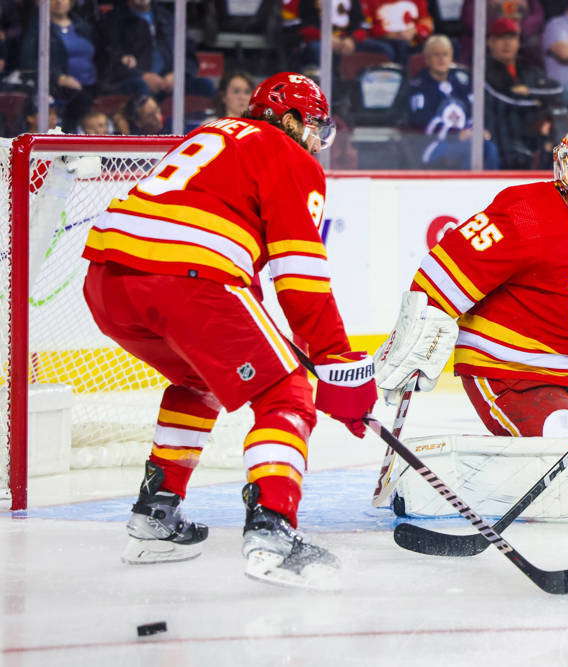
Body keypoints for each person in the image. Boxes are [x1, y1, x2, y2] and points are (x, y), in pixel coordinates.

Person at [81, 72, 376, 590]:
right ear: (288, 119)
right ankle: (273, 528)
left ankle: (155, 516)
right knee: (287, 395)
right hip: (189, 279)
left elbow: (239, 285)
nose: (317, 143)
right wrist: (337, 363)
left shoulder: (212, 132)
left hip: (109, 283)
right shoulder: (289, 155)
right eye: (314, 128)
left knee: (200, 379)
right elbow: (300, 276)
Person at [376, 122, 568, 441]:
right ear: (561, 164)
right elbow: (450, 268)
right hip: (511, 369)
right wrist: (412, 337)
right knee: (563, 434)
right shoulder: (528, 209)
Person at [406, 35, 500, 169]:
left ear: (451, 57)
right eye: (436, 55)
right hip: (432, 145)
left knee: (489, 148)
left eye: (445, 54)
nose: (441, 59)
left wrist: (477, 130)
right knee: (470, 149)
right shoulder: (419, 86)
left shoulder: (460, 83)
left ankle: (491, 188)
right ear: (426, 59)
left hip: (465, 139)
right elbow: (421, 121)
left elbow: (473, 111)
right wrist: (454, 134)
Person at [485, 17, 562, 169]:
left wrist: (529, 91)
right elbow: (508, 100)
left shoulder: (528, 69)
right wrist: (538, 100)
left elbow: (558, 90)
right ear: (490, 42)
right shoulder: (485, 71)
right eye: (501, 38)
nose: (507, 44)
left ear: (519, 42)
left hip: (532, 135)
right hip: (503, 136)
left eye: (512, 38)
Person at [98, 0, 213, 98]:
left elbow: (189, 56)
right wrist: (141, 76)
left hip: (170, 82)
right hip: (136, 81)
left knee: (204, 85)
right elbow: (109, 61)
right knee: (139, 87)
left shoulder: (168, 18)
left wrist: (177, 75)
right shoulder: (112, 21)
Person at [19, 0, 99, 131]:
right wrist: (58, 78)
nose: (59, 2)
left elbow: (100, 56)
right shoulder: (38, 28)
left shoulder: (83, 26)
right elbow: (28, 62)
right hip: (59, 89)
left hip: (91, 86)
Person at [356, 0, 434, 64]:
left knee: (430, 46)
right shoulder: (368, 2)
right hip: (383, 39)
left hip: (413, 38)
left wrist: (415, 31)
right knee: (398, 47)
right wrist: (389, 34)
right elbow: (366, 24)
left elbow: (426, 22)